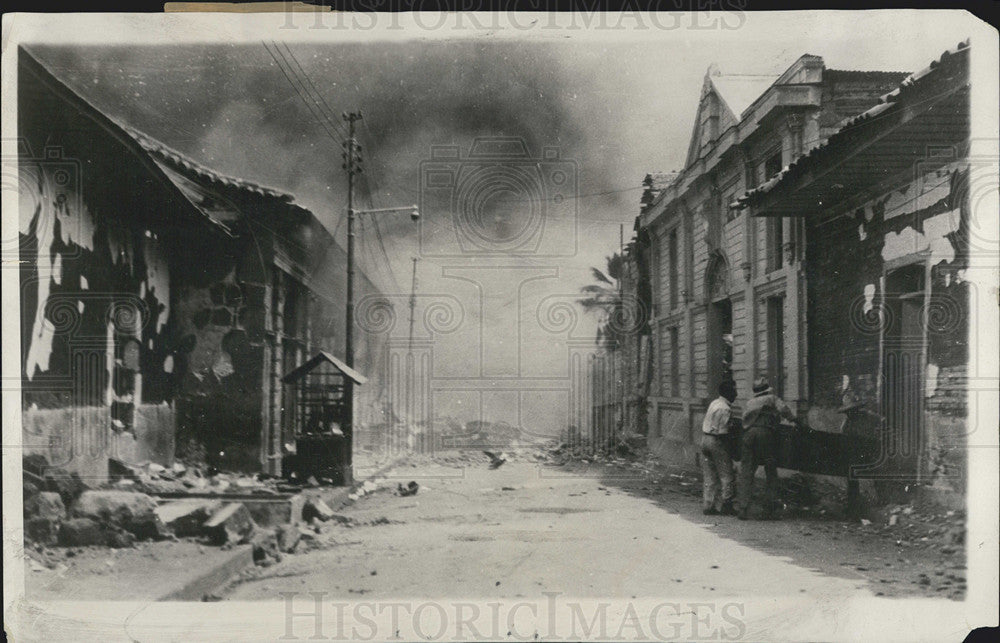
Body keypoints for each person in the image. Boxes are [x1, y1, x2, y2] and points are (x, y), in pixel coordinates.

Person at [737, 376, 797, 520]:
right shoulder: (772, 398)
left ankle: (743, 508)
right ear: (767, 390)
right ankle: (768, 509)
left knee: (747, 471)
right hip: (765, 434)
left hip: (749, 434)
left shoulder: (750, 402)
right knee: (770, 469)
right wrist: (794, 419)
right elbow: (784, 409)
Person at [700, 380, 738, 516]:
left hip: (705, 438)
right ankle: (727, 504)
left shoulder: (714, 403)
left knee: (709, 474)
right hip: (717, 440)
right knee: (726, 473)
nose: (736, 394)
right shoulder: (725, 408)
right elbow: (723, 432)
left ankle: (708, 505)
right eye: (734, 391)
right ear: (728, 393)